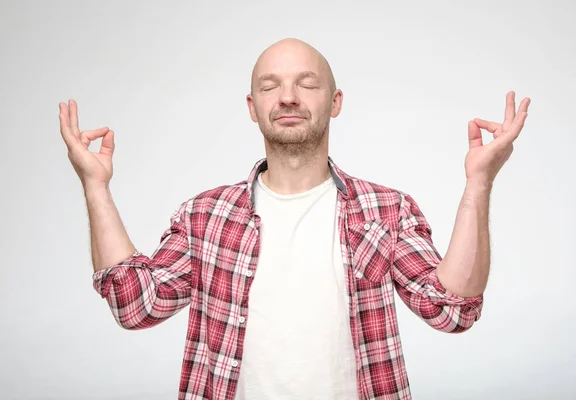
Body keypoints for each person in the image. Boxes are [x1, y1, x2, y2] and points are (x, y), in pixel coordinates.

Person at [58, 38, 531, 400]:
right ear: (252, 107)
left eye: (306, 83)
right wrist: (95, 186)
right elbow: (135, 304)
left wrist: (479, 183)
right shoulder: (207, 216)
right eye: (270, 86)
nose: (287, 97)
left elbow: (450, 310)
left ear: (335, 101)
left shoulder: (386, 211)